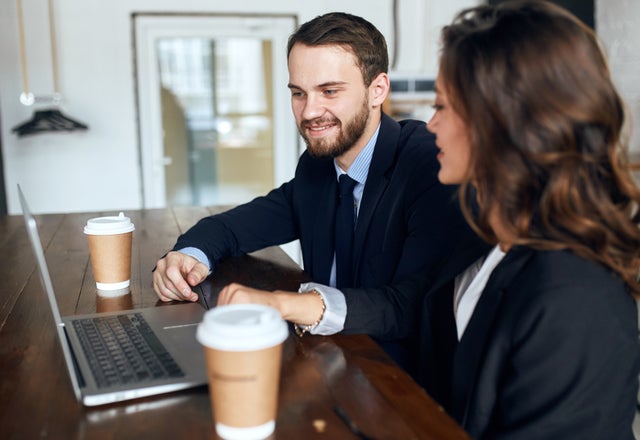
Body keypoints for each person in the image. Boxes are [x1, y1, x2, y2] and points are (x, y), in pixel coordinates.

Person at [152, 12, 486, 364]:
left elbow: (408, 308)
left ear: (378, 90)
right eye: (299, 93)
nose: (310, 111)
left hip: (400, 381)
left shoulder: (428, 163)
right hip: (326, 360)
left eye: (329, 91)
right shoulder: (317, 165)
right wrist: (189, 255)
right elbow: (236, 224)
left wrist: (285, 304)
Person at [419, 1, 640, 438]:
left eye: (441, 106)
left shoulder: (574, 300)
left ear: (497, 122)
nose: (430, 125)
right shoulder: (488, 237)